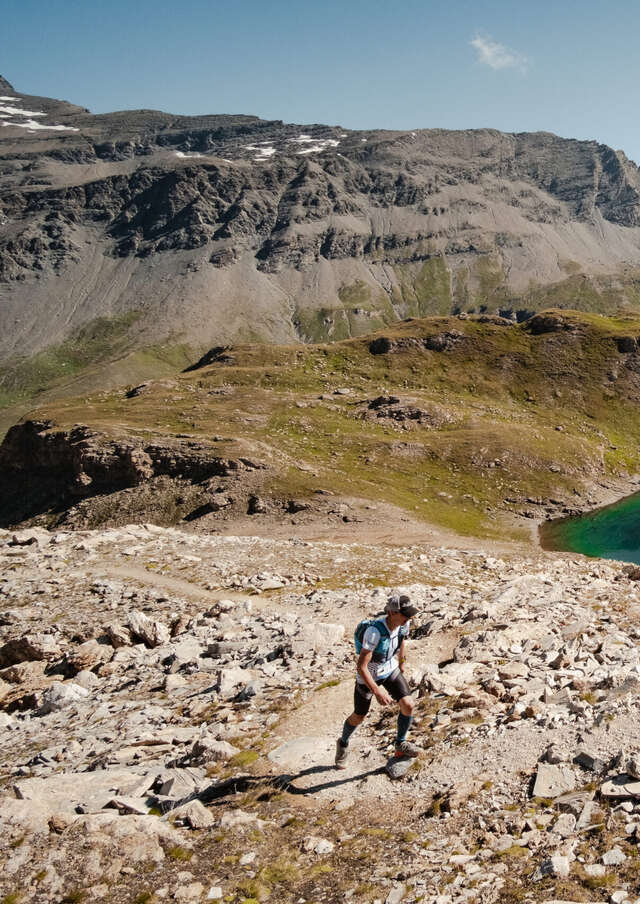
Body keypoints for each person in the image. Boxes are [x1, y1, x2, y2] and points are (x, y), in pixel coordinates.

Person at [335, 593, 420, 769]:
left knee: (408, 704)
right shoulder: (374, 632)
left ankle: (400, 743)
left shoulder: (404, 624)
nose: (408, 618)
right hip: (370, 675)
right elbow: (361, 666)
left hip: (389, 669)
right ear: (392, 613)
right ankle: (343, 743)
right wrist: (377, 690)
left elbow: (402, 639)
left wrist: (401, 661)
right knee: (359, 716)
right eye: (404, 614)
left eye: (409, 614)